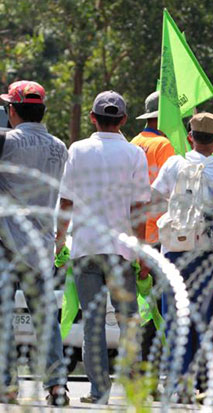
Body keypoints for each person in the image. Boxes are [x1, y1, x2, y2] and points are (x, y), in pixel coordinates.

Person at [56, 91, 151, 404]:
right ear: (123, 120)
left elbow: (66, 202)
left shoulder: (78, 150)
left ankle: (99, 392)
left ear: (93, 118)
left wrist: (59, 243)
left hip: (85, 249)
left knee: (93, 324)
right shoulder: (135, 153)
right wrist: (142, 254)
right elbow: (139, 209)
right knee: (128, 321)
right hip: (122, 253)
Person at [0, 80, 69, 406]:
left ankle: (7, 385)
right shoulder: (60, 146)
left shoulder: (5, 142)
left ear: (12, 110)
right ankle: (57, 385)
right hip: (41, 244)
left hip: (5, 244)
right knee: (46, 319)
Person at [151, 112, 213, 396]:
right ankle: (196, 381)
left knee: (174, 316)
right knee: (202, 318)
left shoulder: (173, 163)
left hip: (173, 250)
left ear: (190, 137)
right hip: (208, 254)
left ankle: (176, 380)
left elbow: (155, 198)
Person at [130, 91, 175, 245]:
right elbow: (170, 187)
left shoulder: (135, 141)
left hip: (136, 225)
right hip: (158, 228)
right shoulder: (163, 144)